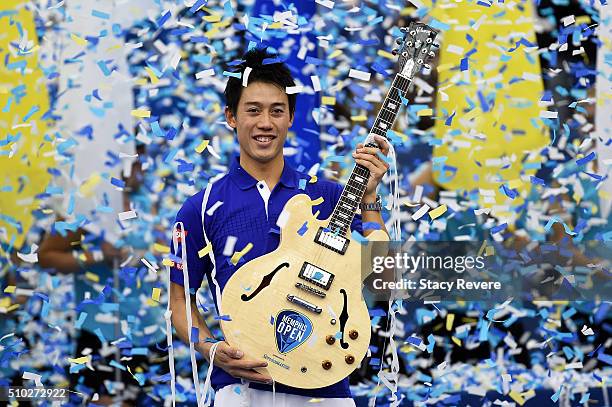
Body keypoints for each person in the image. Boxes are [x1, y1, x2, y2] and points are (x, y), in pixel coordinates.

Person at [169, 47, 390, 406]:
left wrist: (370, 197)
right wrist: (209, 348)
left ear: (290, 118)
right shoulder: (202, 207)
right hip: (241, 391)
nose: (265, 123)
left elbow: (384, 279)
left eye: (277, 111)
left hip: (326, 391)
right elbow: (179, 299)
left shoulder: (329, 195)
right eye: (252, 110)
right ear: (231, 117)